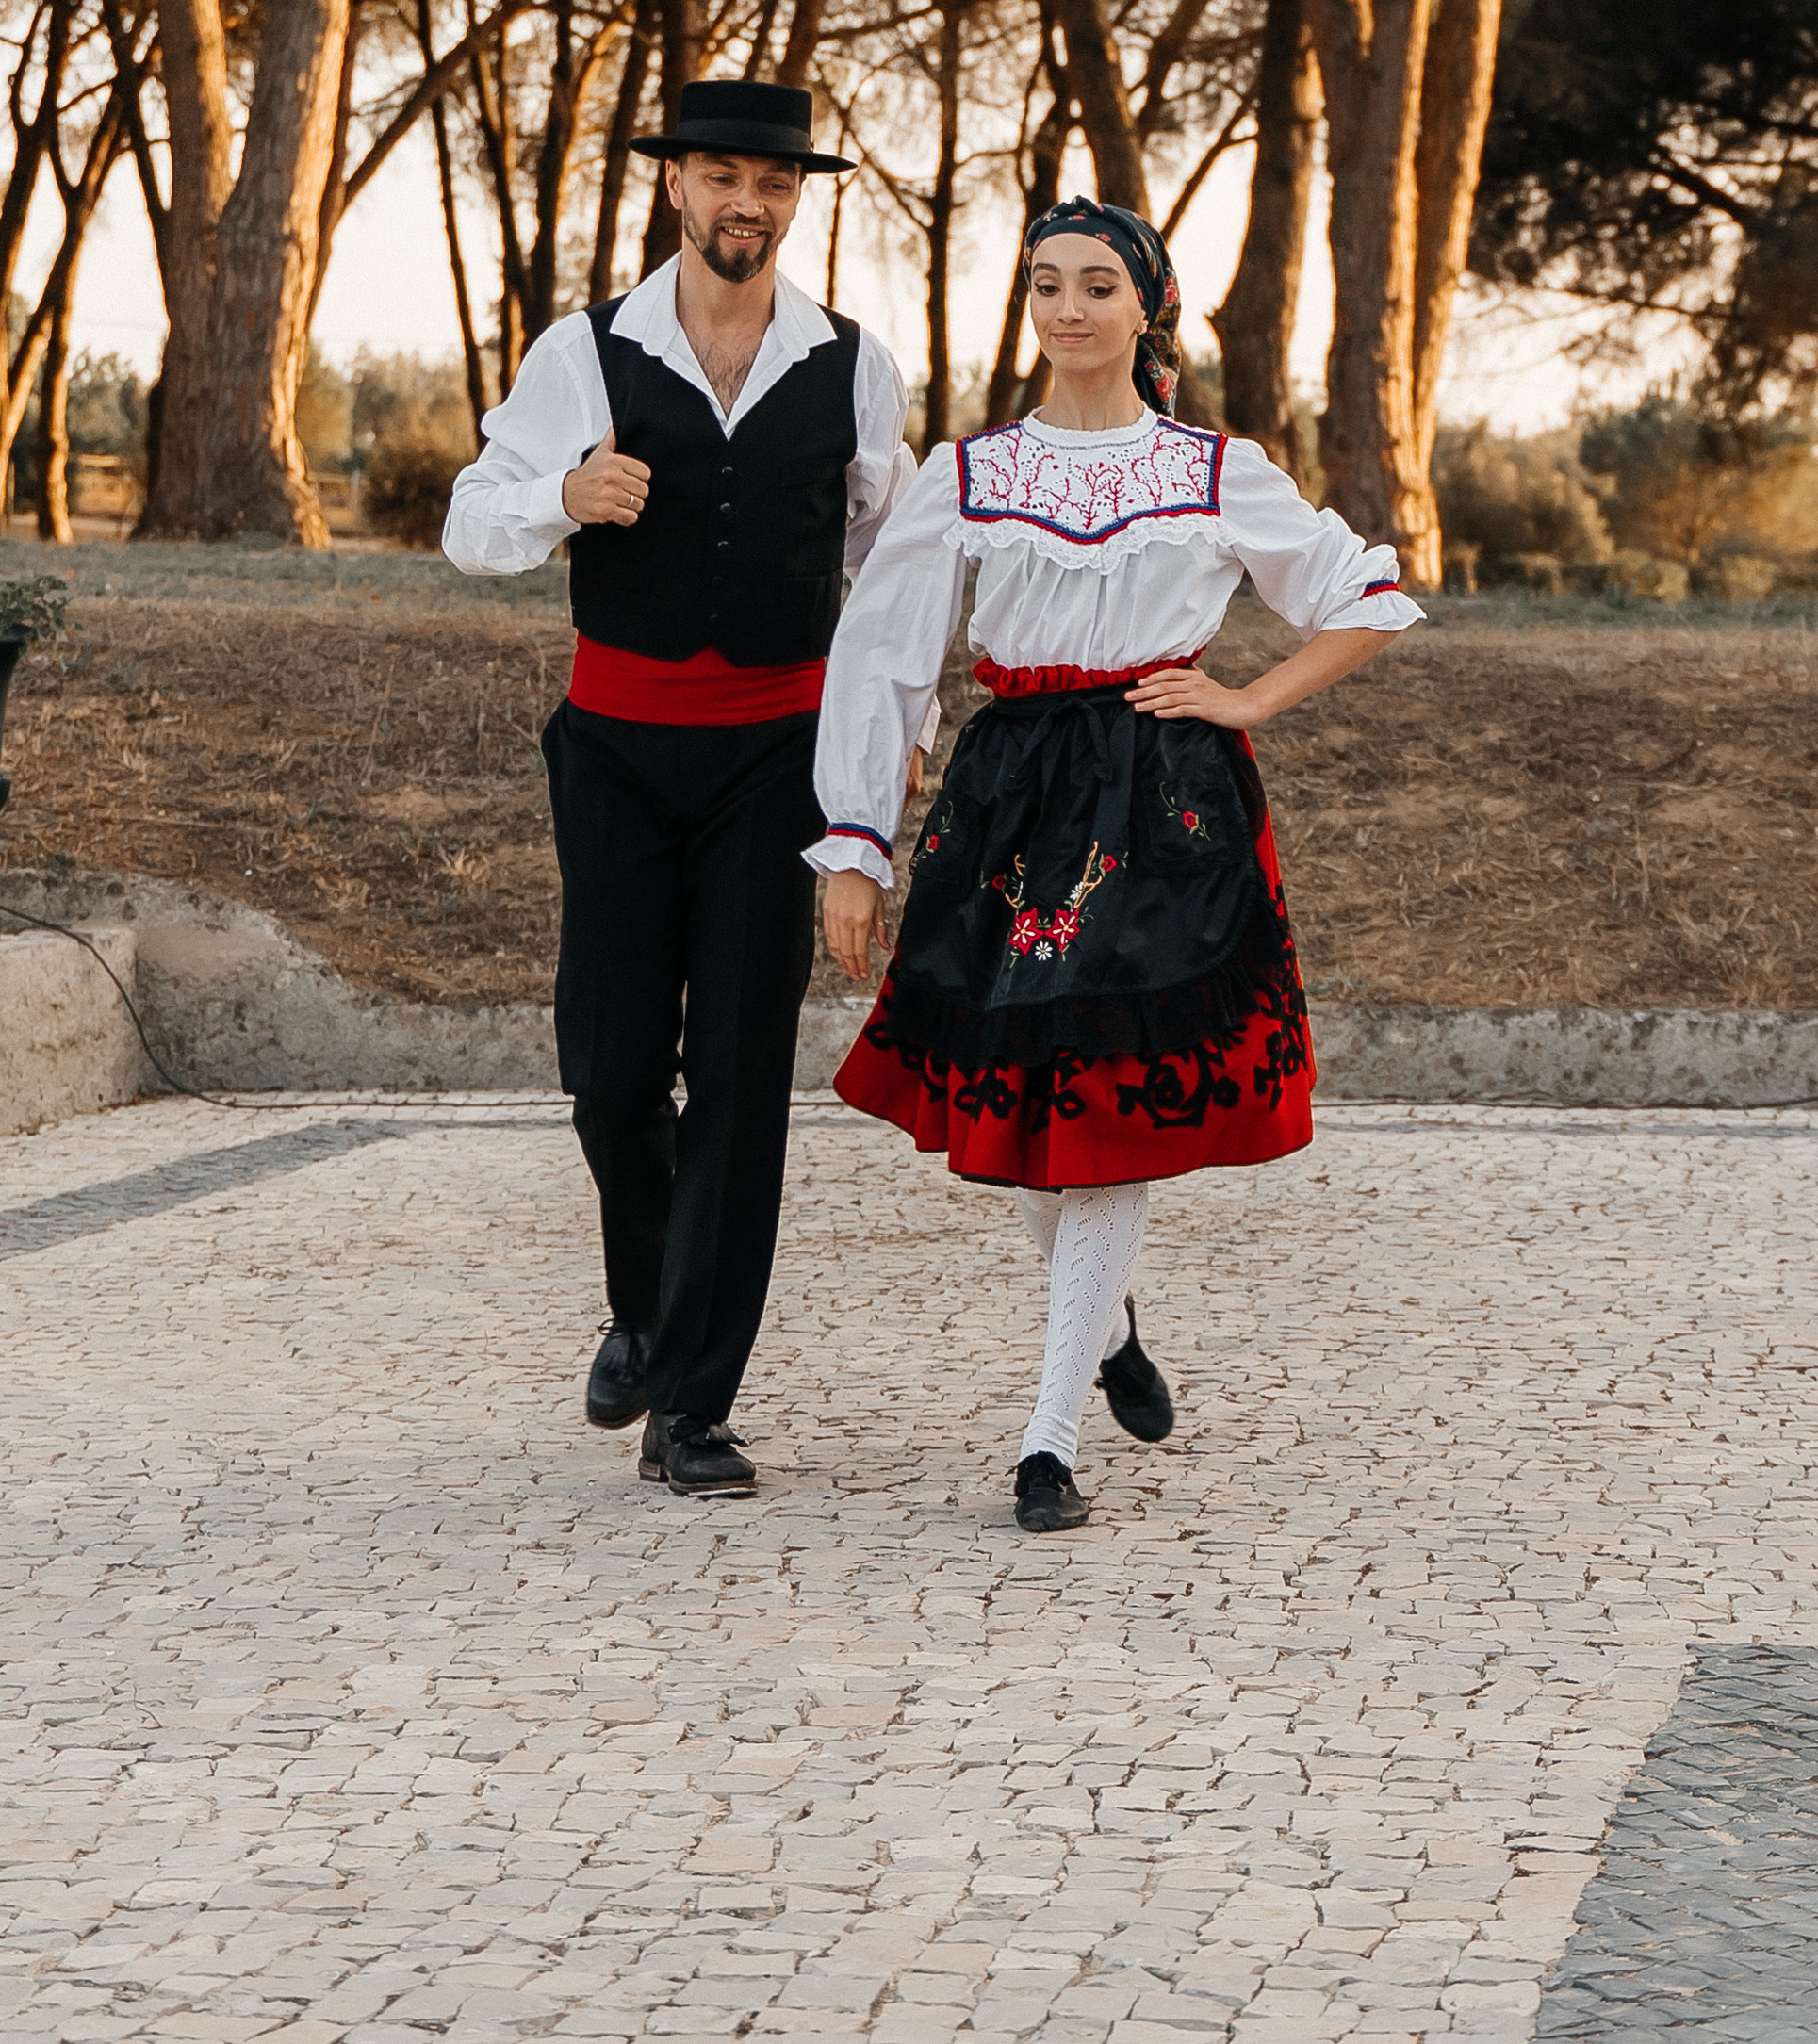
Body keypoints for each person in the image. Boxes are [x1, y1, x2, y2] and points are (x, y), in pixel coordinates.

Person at [810, 199, 1423, 1532]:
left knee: (1098, 1119)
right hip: (1011, 802)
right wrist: (851, 845)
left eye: (1098, 284)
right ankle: (1110, 1328)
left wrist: (1250, 702)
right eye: (1046, 284)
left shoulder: (1212, 469)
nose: (1070, 308)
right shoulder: (967, 477)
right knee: (1035, 1105)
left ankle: (1046, 1440)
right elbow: (881, 656)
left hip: (1163, 799)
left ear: (1147, 306)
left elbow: (1366, 596)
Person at [443, 79, 921, 1499]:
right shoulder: (588, 353)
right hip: (617, 748)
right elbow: (473, 519)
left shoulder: (853, 366)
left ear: (795, 201)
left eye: (771, 182)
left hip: (779, 758)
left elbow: (886, 578)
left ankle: (695, 1402)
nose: (745, 203)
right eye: (719, 174)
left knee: (740, 1084)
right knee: (606, 1072)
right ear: (674, 187)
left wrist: (896, 741)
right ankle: (646, 1307)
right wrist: (559, 501)